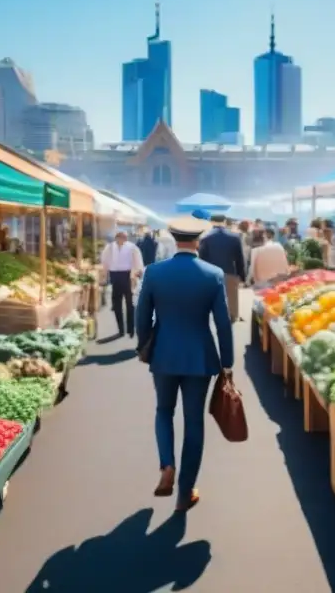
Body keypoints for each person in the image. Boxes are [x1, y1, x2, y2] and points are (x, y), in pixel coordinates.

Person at [135, 214, 233, 513]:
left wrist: (146, 344)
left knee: (164, 410)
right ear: (198, 241)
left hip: (164, 354)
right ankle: (185, 492)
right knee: (194, 422)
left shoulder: (154, 272)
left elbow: (142, 317)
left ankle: (167, 464)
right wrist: (227, 363)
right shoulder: (213, 274)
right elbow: (223, 324)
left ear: (174, 239)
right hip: (200, 358)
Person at [199, 215, 245, 321]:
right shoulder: (234, 237)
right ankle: (232, 316)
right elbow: (239, 259)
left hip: (211, 273)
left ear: (211, 222)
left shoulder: (205, 238)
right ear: (224, 222)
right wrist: (241, 275)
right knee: (232, 297)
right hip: (229, 271)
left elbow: (202, 259)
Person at [101, 231, 143, 337]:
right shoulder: (110, 248)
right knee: (116, 304)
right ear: (116, 238)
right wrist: (105, 276)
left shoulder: (132, 247)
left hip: (128, 275)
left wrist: (137, 273)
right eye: (120, 237)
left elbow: (138, 261)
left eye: (124, 237)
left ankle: (130, 328)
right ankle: (121, 329)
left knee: (130, 304)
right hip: (115, 275)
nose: (122, 239)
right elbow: (105, 262)